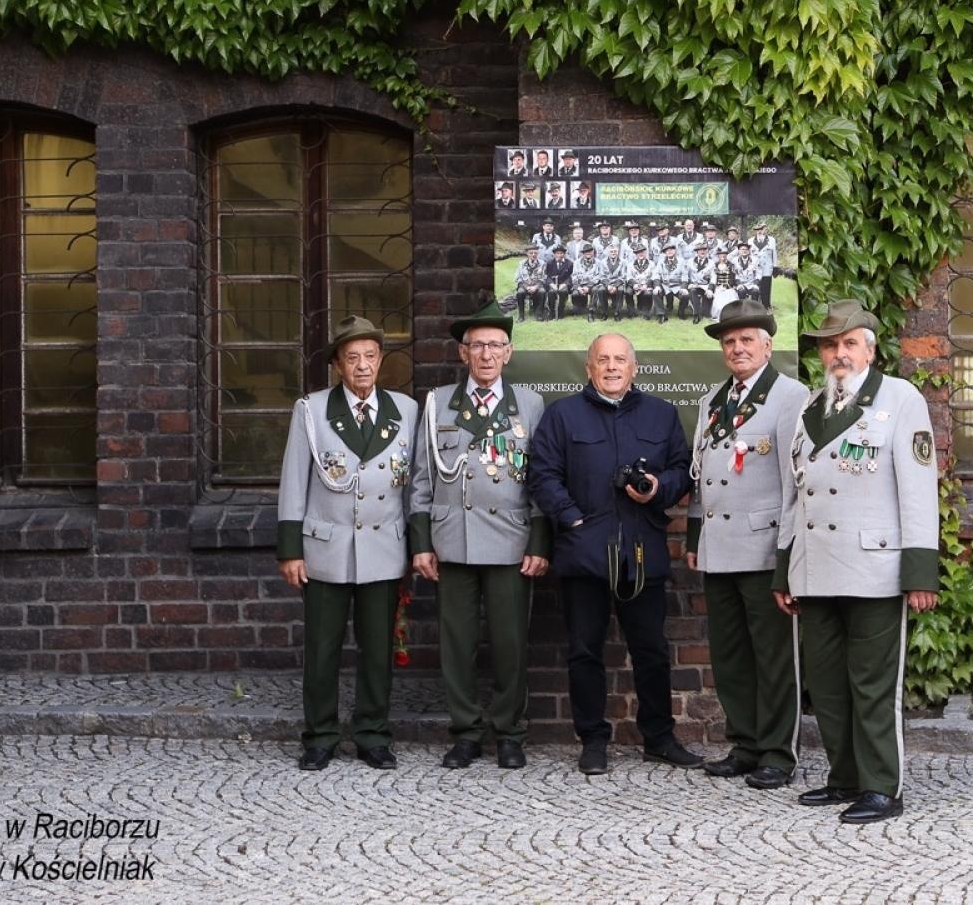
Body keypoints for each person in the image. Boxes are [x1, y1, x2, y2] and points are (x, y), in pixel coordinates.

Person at [773, 299, 941, 824]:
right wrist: (784, 568)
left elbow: (918, 490)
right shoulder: (810, 407)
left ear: (869, 348)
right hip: (815, 566)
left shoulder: (900, 399)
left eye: (848, 343)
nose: (838, 353)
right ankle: (843, 776)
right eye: (830, 344)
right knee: (825, 683)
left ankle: (880, 786)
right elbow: (793, 496)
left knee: (872, 682)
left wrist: (919, 570)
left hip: (875, 567)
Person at [527, 334, 703, 775]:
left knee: (652, 651)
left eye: (619, 360)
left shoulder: (662, 415)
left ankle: (659, 738)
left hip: (642, 552)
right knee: (584, 650)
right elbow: (542, 475)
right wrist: (572, 519)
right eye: (602, 360)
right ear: (587, 368)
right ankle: (592, 740)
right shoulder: (562, 415)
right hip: (584, 554)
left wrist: (660, 489)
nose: (611, 367)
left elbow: (684, 470)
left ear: (634, 367)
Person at [409, 303, 548, 771]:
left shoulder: (529, 404)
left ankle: (510, 732)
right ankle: (465, 732)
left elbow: (540, 481)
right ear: (462, 352)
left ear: (509, 353)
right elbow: (422, 479)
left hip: (510, 541)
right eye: (477, 346)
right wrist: (422, 541)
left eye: (495, 345)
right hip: (454, 540)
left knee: (510, 644)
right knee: (457, 643)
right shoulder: (438, 402)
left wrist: (538, 542)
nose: (486, 354)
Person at [277, 315, 417, 772]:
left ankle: (373, 734)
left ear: (381, 361)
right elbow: (294, 481)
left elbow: (415, 486)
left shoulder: (406, 410)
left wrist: (418, 547)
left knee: (377, 650)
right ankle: (319, 735)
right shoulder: (311, 410)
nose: (362, 366)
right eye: (352, 358)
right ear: (338, 364)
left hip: (384, 548)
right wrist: (291, 549)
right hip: (326, 548)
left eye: (370, 357)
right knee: (322, 649)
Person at [688, 301, 809, 789]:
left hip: (764, 549)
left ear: (767, 344)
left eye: (746, 339)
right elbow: (704, 476)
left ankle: (779, 753)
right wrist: (695, 534)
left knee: (773, 658)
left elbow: (794, 485)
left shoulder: (789, 397)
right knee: (731, 655)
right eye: (729, 341)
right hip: (719, 548)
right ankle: (745, 743)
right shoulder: (713, 400)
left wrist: (787, 558)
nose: (737, 348)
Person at [572, 243, 607, 322]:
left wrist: (588, 287)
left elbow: (599, 276)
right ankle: (578, 309)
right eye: (586, 251)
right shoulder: (576, 262)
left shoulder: (598, 262)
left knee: (595, 290)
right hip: (580, 285)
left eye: (590, 251)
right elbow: (574, 276)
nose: (588, 253)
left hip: (593, 285)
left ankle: (591, 312)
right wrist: (579, 287)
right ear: (583, 253)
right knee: (575, 294)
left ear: (593, 252)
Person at [514, 244, 547, 322]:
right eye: (531, 253)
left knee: (542, 291)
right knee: (520, 292)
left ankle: (539, 314)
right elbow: (518, 278)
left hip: (537, 285)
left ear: (538, 253)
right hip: (524, 285)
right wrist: (526, 287)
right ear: (527, 253)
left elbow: (544, 278)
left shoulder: (542, 263)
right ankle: (521, 316)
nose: (533, 255)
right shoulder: (521, 263)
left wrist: (535, 287)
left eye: (535, 253)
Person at [686, 240, 716, 324]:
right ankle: (696, 315)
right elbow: (685, 275)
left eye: (704, 249)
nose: (702, 251)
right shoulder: (690, 262)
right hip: (694, 286)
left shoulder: (711, 263)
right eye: (700, 250)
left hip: (706, 287)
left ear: (707, 251)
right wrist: (689, 283)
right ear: (697, 252)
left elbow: (713, 277)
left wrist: (710, 289)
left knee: (706, 313)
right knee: (693, 291)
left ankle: (703, 310)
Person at [749, 221, 777, 308]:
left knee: (766, 286)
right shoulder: (750, 241)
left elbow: (774, 254)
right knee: (756, 286)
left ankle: (766, 305)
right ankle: (756, 305)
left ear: (765, 229)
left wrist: (775, 266)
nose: (759, 231)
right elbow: (749, 255)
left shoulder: (771, 240)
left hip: (767, 267)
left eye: (761, 229)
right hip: (756, 268)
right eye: (757, 229)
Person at [543, 243, 574, 320]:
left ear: (564, 254)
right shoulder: (550, 263)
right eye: (557, 253)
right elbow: (547, 275)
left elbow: (571, 276)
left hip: (564, 284)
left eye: (561, 253)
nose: (559, 255)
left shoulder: (569, 263)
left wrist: (565, 284)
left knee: (563, 292)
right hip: (553, 283)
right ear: (554, 254)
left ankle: (561, 310)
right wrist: (551, 284)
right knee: (551, 292)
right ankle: (552, 312)